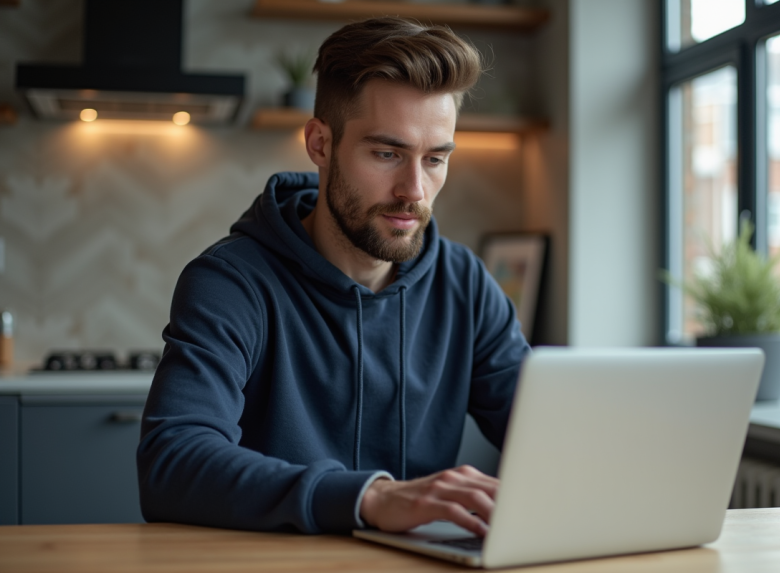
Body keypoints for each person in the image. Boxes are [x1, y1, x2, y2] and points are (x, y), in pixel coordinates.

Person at [137, 17, 530, 537]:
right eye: (387, 154)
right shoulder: (231, 282)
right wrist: (370, 497)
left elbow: (553, 440)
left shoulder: (466, 285)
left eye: (435, 159)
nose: (414, 189)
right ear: (320, 144)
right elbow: (172, 463)